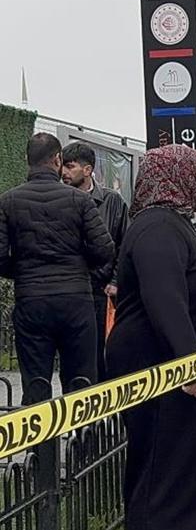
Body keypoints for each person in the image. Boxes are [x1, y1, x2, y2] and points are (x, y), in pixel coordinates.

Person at [104, 145, 196, 530]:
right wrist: (189, 362)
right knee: (166, 468)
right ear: (180, 179)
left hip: (184, 376)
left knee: (189, 466)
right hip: (167, 373)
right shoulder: (157, 227)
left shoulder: (174, 224)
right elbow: (164, 296)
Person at [0, 133, 114, 402]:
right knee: (81, 384)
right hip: (76, 301)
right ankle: (83, 428)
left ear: (27, 160)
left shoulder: (8, 201)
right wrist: (80, 268)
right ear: (57, 160)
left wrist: (24, 271)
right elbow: (105, 249)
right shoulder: (80, 200)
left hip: (31, 301)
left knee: (36, 385)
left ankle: (40, 429)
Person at [61, 142, 129, 382]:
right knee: (70, 356)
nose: (64, 172)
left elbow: (124, 244)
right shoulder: (58, 200)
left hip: (100, 291)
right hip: (68, 288)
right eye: (62, 166)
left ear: (88, 169)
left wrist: (115, 280)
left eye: (70, 167)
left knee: (99, 355)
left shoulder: (113, 201)